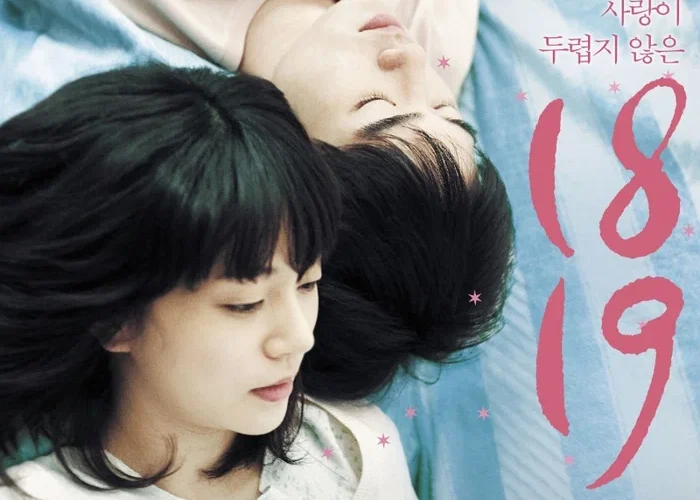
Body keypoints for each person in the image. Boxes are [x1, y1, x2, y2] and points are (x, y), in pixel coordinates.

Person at [0, 62, 417, 499]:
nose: (298, 338)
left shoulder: (355, 453)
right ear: (114, 319)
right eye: (245, 304)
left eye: (308, 283)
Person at [106, 0, 517, 402]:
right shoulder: (434, 33)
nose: (411, 58)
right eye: (445, 109)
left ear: (285, 158)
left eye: (374, 103)